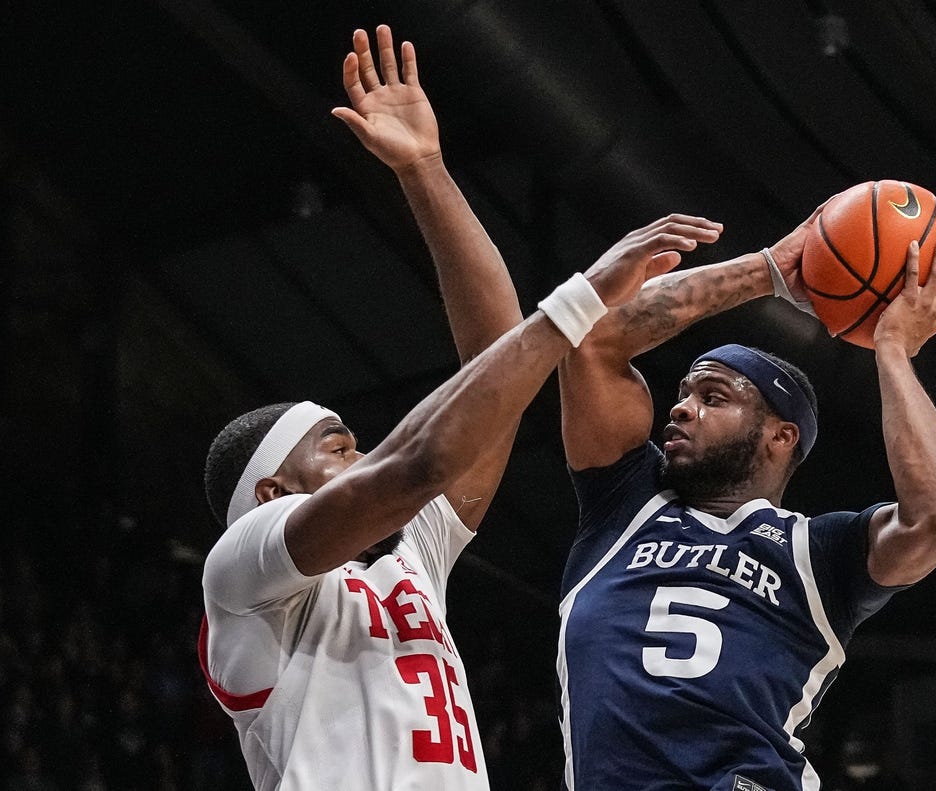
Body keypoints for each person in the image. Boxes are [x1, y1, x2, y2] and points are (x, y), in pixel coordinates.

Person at [198, 23, 726, 791]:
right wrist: (582, 296)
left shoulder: (407, 563)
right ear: (272, 495)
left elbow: (493, 355)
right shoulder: (241, 574)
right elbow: (424, 458)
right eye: (338, 446)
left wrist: (426, 171)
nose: (363, 450)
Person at [555, 216, 936, 791]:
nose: (680, 409)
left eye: (713, 397)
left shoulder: (819, 553)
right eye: (683, 393)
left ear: (781, 436)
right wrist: (769, 269)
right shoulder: (625, 503)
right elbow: (594, 341)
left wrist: (894, 349)